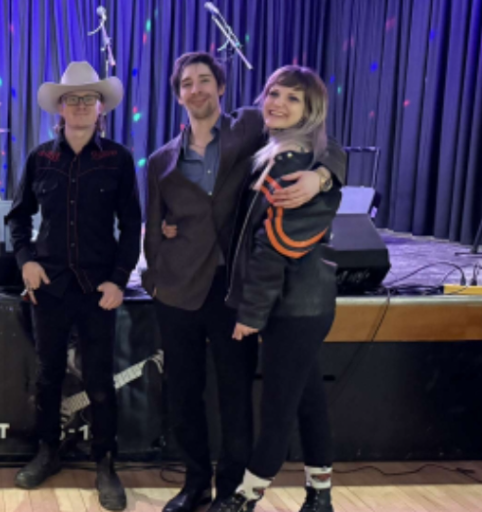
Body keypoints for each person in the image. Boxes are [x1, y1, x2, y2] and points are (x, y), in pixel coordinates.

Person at [142, 52, 345, 512]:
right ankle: (195, 484)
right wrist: (153, 278)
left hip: (235, 286)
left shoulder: (254, 126)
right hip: (177, 289)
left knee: (235, 395)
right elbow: (154, 226)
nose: (196, 89)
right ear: (178, 95)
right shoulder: (159, 161)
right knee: (183, 394)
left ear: (221, 87)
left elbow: (324, 140)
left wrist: (321, 176)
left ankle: (233, 489)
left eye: (205, 80)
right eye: (187, 83)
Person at [6, 61, 142, 511]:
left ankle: (105, 463)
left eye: (89, 98)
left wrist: (119, 280)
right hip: (49, 285)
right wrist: (26, 262)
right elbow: (18, 218)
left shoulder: (118, 159)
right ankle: (47, 452)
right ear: (60, 108)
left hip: (98, 289)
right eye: (72, 99)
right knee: (48, 376)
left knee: (99, 380)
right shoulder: (40, 158)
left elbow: (132, 224)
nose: (81, 105)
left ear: (101, 107)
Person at [212, 66, 341, 512]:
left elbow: (271, 250)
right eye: (273, 93)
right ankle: (320, 496)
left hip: (295, 306)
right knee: (308, 399)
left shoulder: (293, 163)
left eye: (292, 98)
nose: (277, 103)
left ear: (310, 110)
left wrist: (251, 313)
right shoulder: (280, 151)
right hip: (299, 304)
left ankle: (245, 498)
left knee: (278, 408)